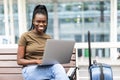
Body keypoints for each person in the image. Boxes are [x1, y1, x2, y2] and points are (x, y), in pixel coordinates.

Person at [17, 4, 70, 80]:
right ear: (33, 21)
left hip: (46, 70)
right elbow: (19, 61)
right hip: (30, 70)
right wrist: (36, 61)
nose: (41, 24)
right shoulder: (25, 36)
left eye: (44, 22)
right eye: (38, 21)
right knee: (57, 67)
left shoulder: (48, 38)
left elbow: (51, 58)